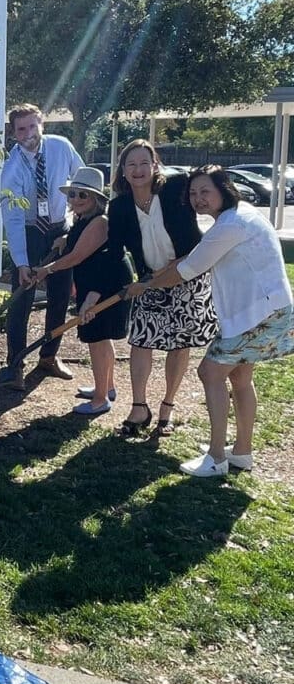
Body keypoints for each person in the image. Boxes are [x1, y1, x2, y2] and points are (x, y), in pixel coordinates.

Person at [127, 165, 294, 477]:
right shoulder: (240, 215)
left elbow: (187, 270)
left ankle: (216, 458)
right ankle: (242, 452)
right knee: (240, 377)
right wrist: (166, 270)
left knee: (209, 372)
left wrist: (146, 286)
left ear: (223, 189)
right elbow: (195, 257)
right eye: (193, 193)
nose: (198, 199)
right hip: (264, 310)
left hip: (258, 314)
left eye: (205, 191)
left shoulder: (230, 225)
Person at [108, 139, 217, 440]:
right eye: (131, 164)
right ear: (123, 170)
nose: (138, 170)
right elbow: (114, 252)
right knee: (140, 340)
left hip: (186, 275)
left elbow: (208, 190)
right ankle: (139, 407)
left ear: (155, 165)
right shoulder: (119, 206)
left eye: (144, 163)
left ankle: (167, 407)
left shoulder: (176, 188)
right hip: (149, 282)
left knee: (179, 343)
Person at [31, 168, 133, 415]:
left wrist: (46, 270)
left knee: (96, 339)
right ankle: (107, 387)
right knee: (102, 338)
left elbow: (76, 257)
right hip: (97, 282)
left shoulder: (100, 222)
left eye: (83, 195)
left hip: (104, 285)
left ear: (96, 199)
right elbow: (81, 239)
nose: (76, 199)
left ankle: (100, 400)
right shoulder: (85, 218)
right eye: (72, 194)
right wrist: (66, 238)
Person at [0, 104, 84, 386]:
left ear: (41, 125)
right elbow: (12, 217)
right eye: (21, 129)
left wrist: (73, 224)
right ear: (13, 133)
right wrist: (22, 262)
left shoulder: (61, 147)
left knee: (59, 298)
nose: (28, 134)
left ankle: (49, 357)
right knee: (21, 301)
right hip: (30, 233)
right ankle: (15, 364)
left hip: (60, 230)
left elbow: (83, 181)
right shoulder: (12, 167)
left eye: (32, 126)